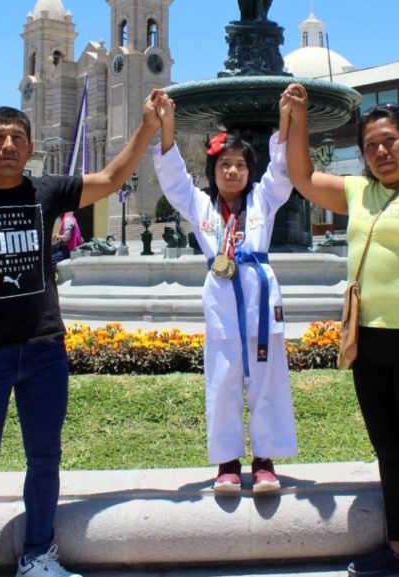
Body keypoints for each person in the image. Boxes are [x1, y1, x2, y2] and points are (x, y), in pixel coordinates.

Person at [0, 91, 166, 577]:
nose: (8, 145)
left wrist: (148, 127)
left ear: (30, 150)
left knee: (45, 458)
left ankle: (38, 555)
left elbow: (111, 178)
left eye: (17, 138)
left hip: (44, 350)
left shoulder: (45, 191)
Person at [283, 84, 399, 577]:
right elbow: (301, 176)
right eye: (371, 145)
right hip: (371, 341)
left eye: (390, 141)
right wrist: (296, 117)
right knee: (389, 448)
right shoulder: (358, 191)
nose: (382, 152)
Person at [152, 91, 298, 494]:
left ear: (250, 171)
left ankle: (265, 461)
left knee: (268, 379)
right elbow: (173, 179)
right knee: (223, 380)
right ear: (213, 170)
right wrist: (167, 124)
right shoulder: (200, 206)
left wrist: (285, 117)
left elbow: (282, 171)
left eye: (239, 165)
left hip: (260, 299)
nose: (232, 172)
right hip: (221, 303)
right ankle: (228, 463)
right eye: (224, 165)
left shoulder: (263, 200)